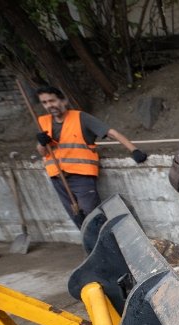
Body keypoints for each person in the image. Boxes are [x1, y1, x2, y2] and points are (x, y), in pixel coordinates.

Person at [35, 86, 147, 228]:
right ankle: (92, 247)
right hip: (58, 177)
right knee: (76, 216)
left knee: (91, 213)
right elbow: (42, 152)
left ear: (63, 101)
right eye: (44, 103)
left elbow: (111, 132)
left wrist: (134, 150)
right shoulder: (43, 122)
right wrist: (41, 143)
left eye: (52, 101)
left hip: (81, 176)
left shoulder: (81, 118)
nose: (49, 105)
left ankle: (106, 244)